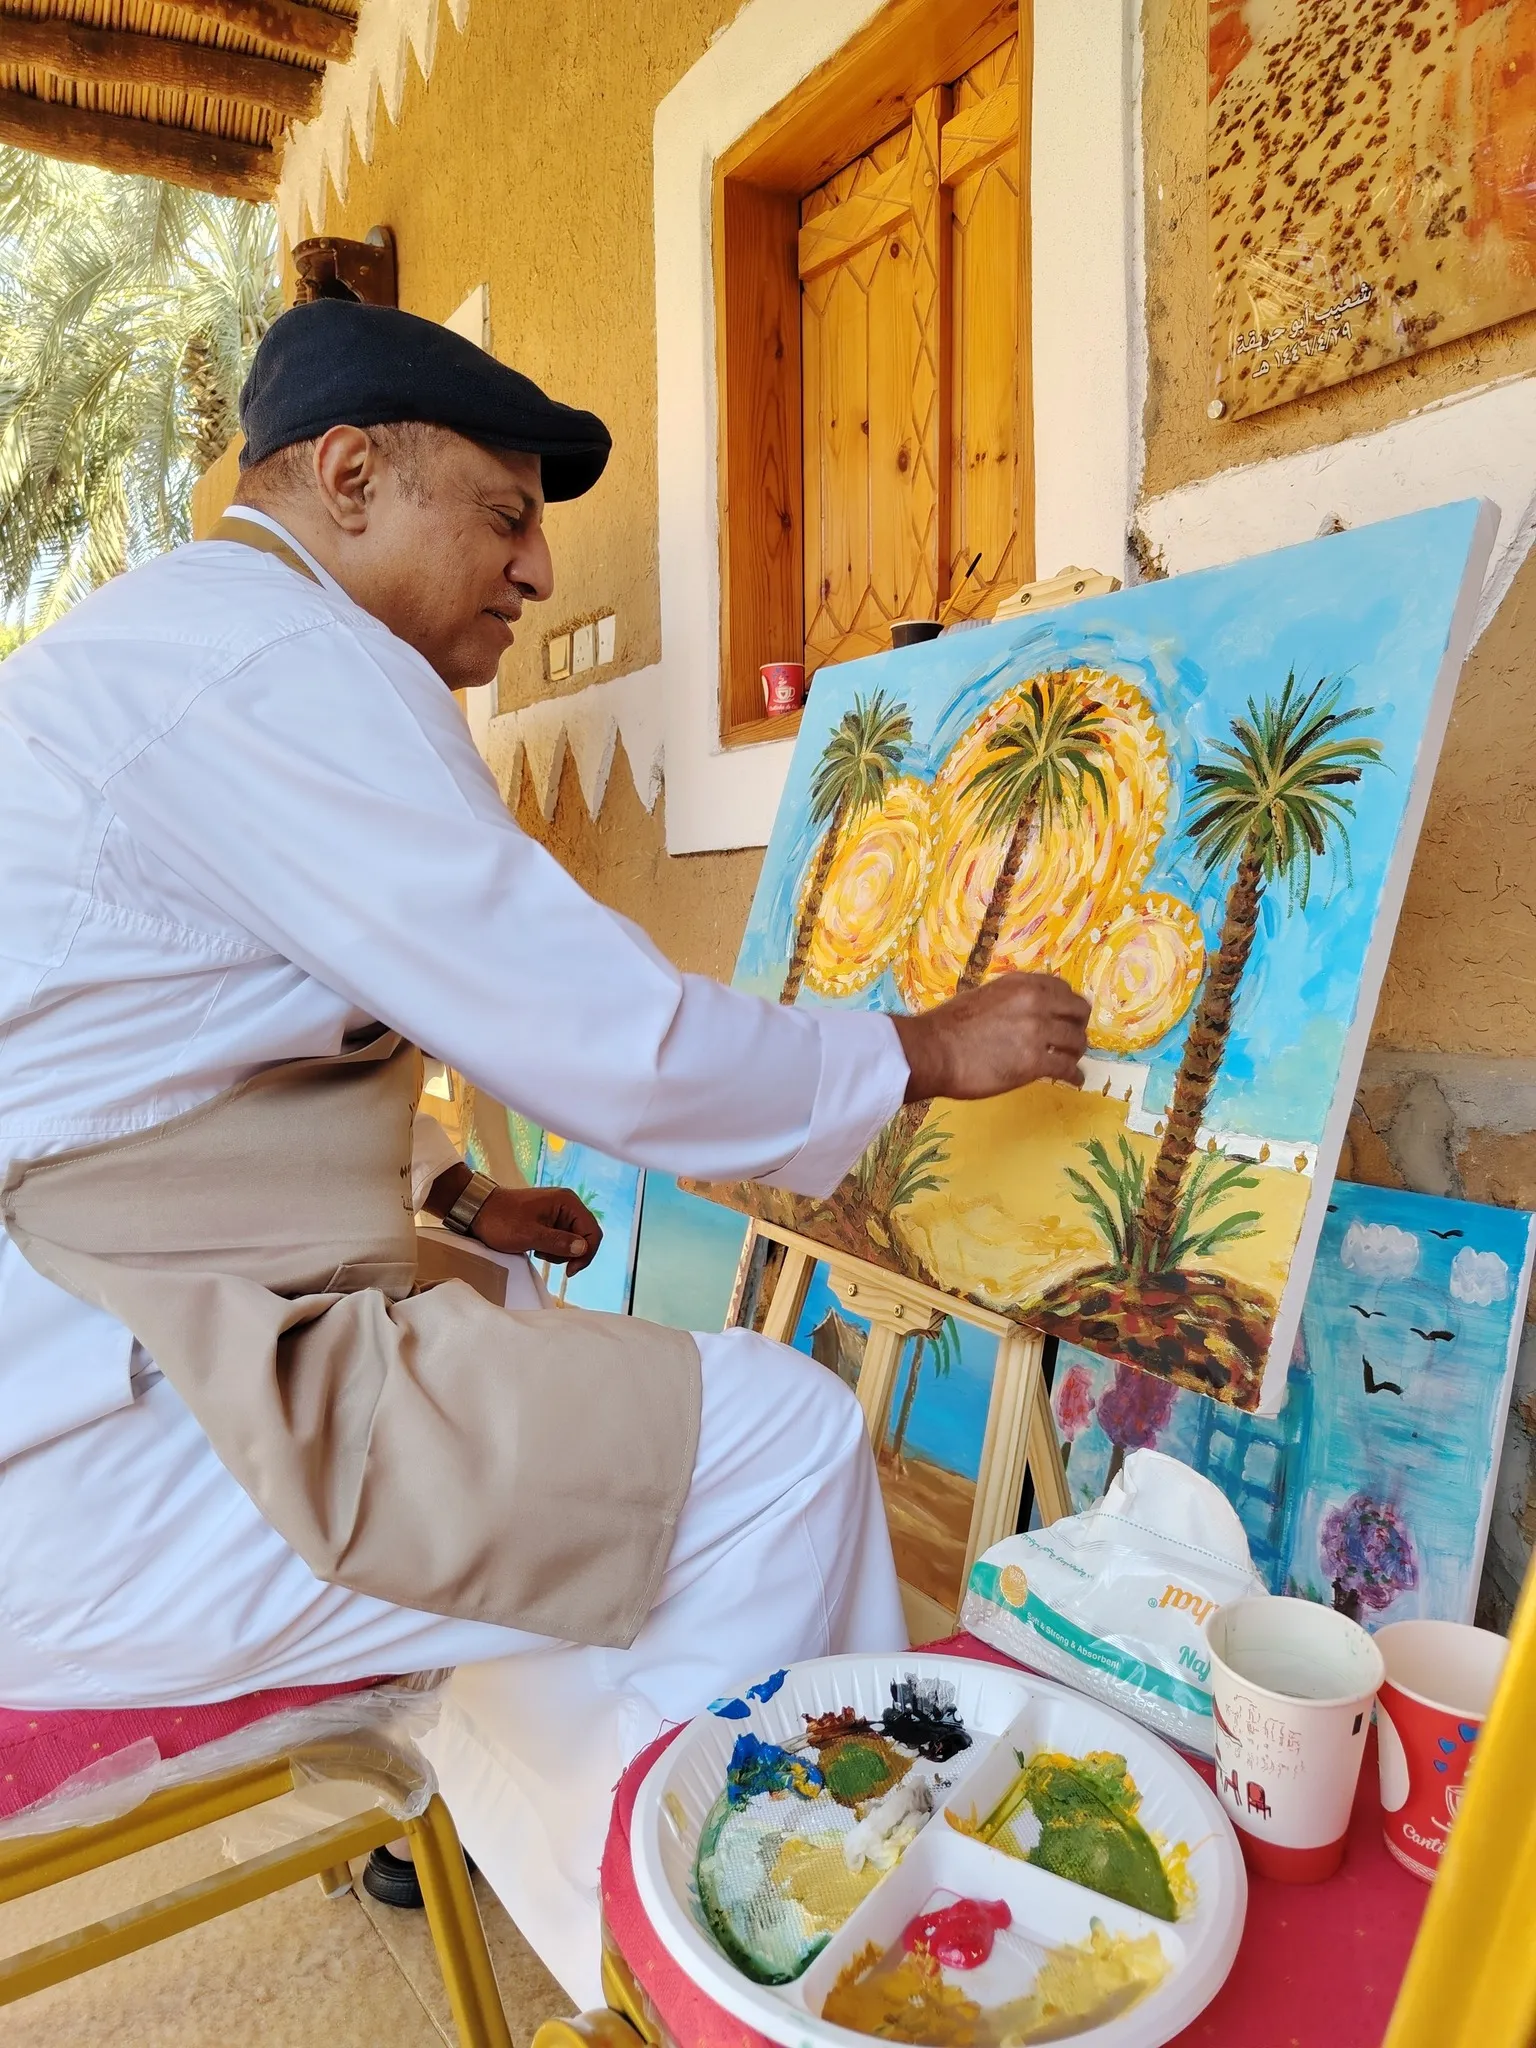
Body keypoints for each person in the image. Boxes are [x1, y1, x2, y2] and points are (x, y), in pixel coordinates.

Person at [0, 301, 1091, 2002]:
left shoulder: (178, 644)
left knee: (518, 1316)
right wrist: (923, 1051)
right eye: (505, 516)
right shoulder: (280, 664)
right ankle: (709, 1972)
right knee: (787, 1443)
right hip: (95, 1432)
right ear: (349, 476)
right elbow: (601, 1033)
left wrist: (453, 1195)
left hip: (110, 1324)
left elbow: (189, 1061)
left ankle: (557, 1838)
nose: (537, 570)